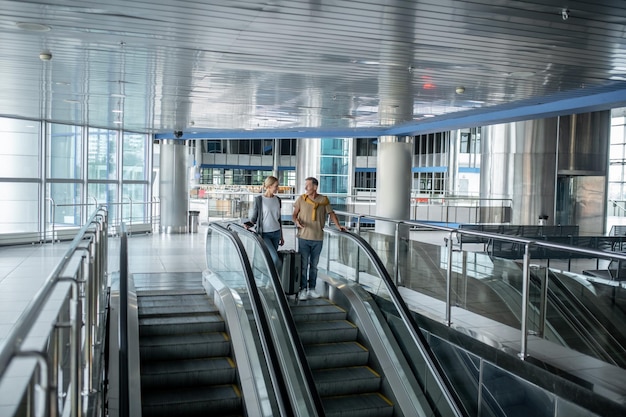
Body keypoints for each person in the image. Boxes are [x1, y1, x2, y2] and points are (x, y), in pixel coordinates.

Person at [292, 177, 346, 301]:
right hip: (303, 237)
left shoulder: (323, 200)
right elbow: (294, 215)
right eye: (305, 185)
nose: (306, 188)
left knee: (314, 266)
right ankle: (303, 289)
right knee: (304, 265)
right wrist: (297, 222)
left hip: (318, 238)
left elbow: (331, 214)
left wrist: (338, 226)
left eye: (308, 185)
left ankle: (312, 289)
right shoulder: (301, 199)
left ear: (315, 187)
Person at [246, 176, 284, 271]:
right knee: (275, 259)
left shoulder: (278, 200)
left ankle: (269, 283)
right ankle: (271, 283)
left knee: (269, 260)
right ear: (269, 186)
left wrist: (281, 236)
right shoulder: (259, 200)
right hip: (264, 234)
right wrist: (248, 224)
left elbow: (279, 219)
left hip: (276, 233)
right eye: (276, 186)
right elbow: (254, 218)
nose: (277, 188)